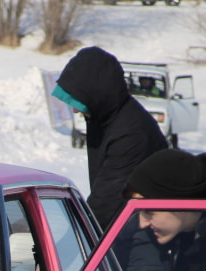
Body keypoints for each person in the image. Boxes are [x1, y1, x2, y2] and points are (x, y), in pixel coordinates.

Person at [53, 46, 167, 230]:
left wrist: (76, 239)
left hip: (150, 230)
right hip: (130, 227)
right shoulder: (105, 118)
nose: (75, 110)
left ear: (97, 96)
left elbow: (106, 202)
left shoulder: (131, 133)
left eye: (80, 102)